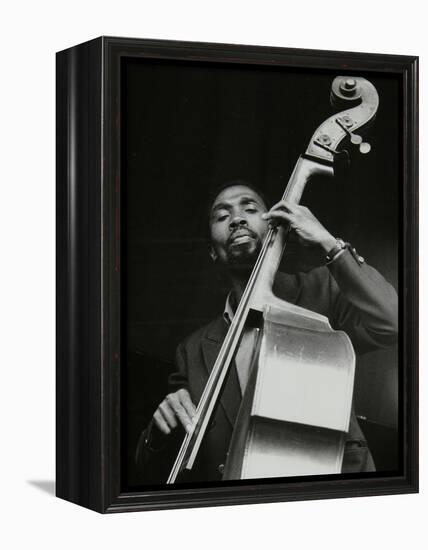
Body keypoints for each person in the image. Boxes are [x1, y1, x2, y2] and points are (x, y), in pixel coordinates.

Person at [135, 180, 398, 483]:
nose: (236, 219)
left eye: (249, 208)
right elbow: (154, 467)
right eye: (222, 216)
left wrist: (329, 242)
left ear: (277, 226)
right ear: (211, 251)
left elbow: (391, 321)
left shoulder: (321, 291)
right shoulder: (192, 349)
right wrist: (157, 432)